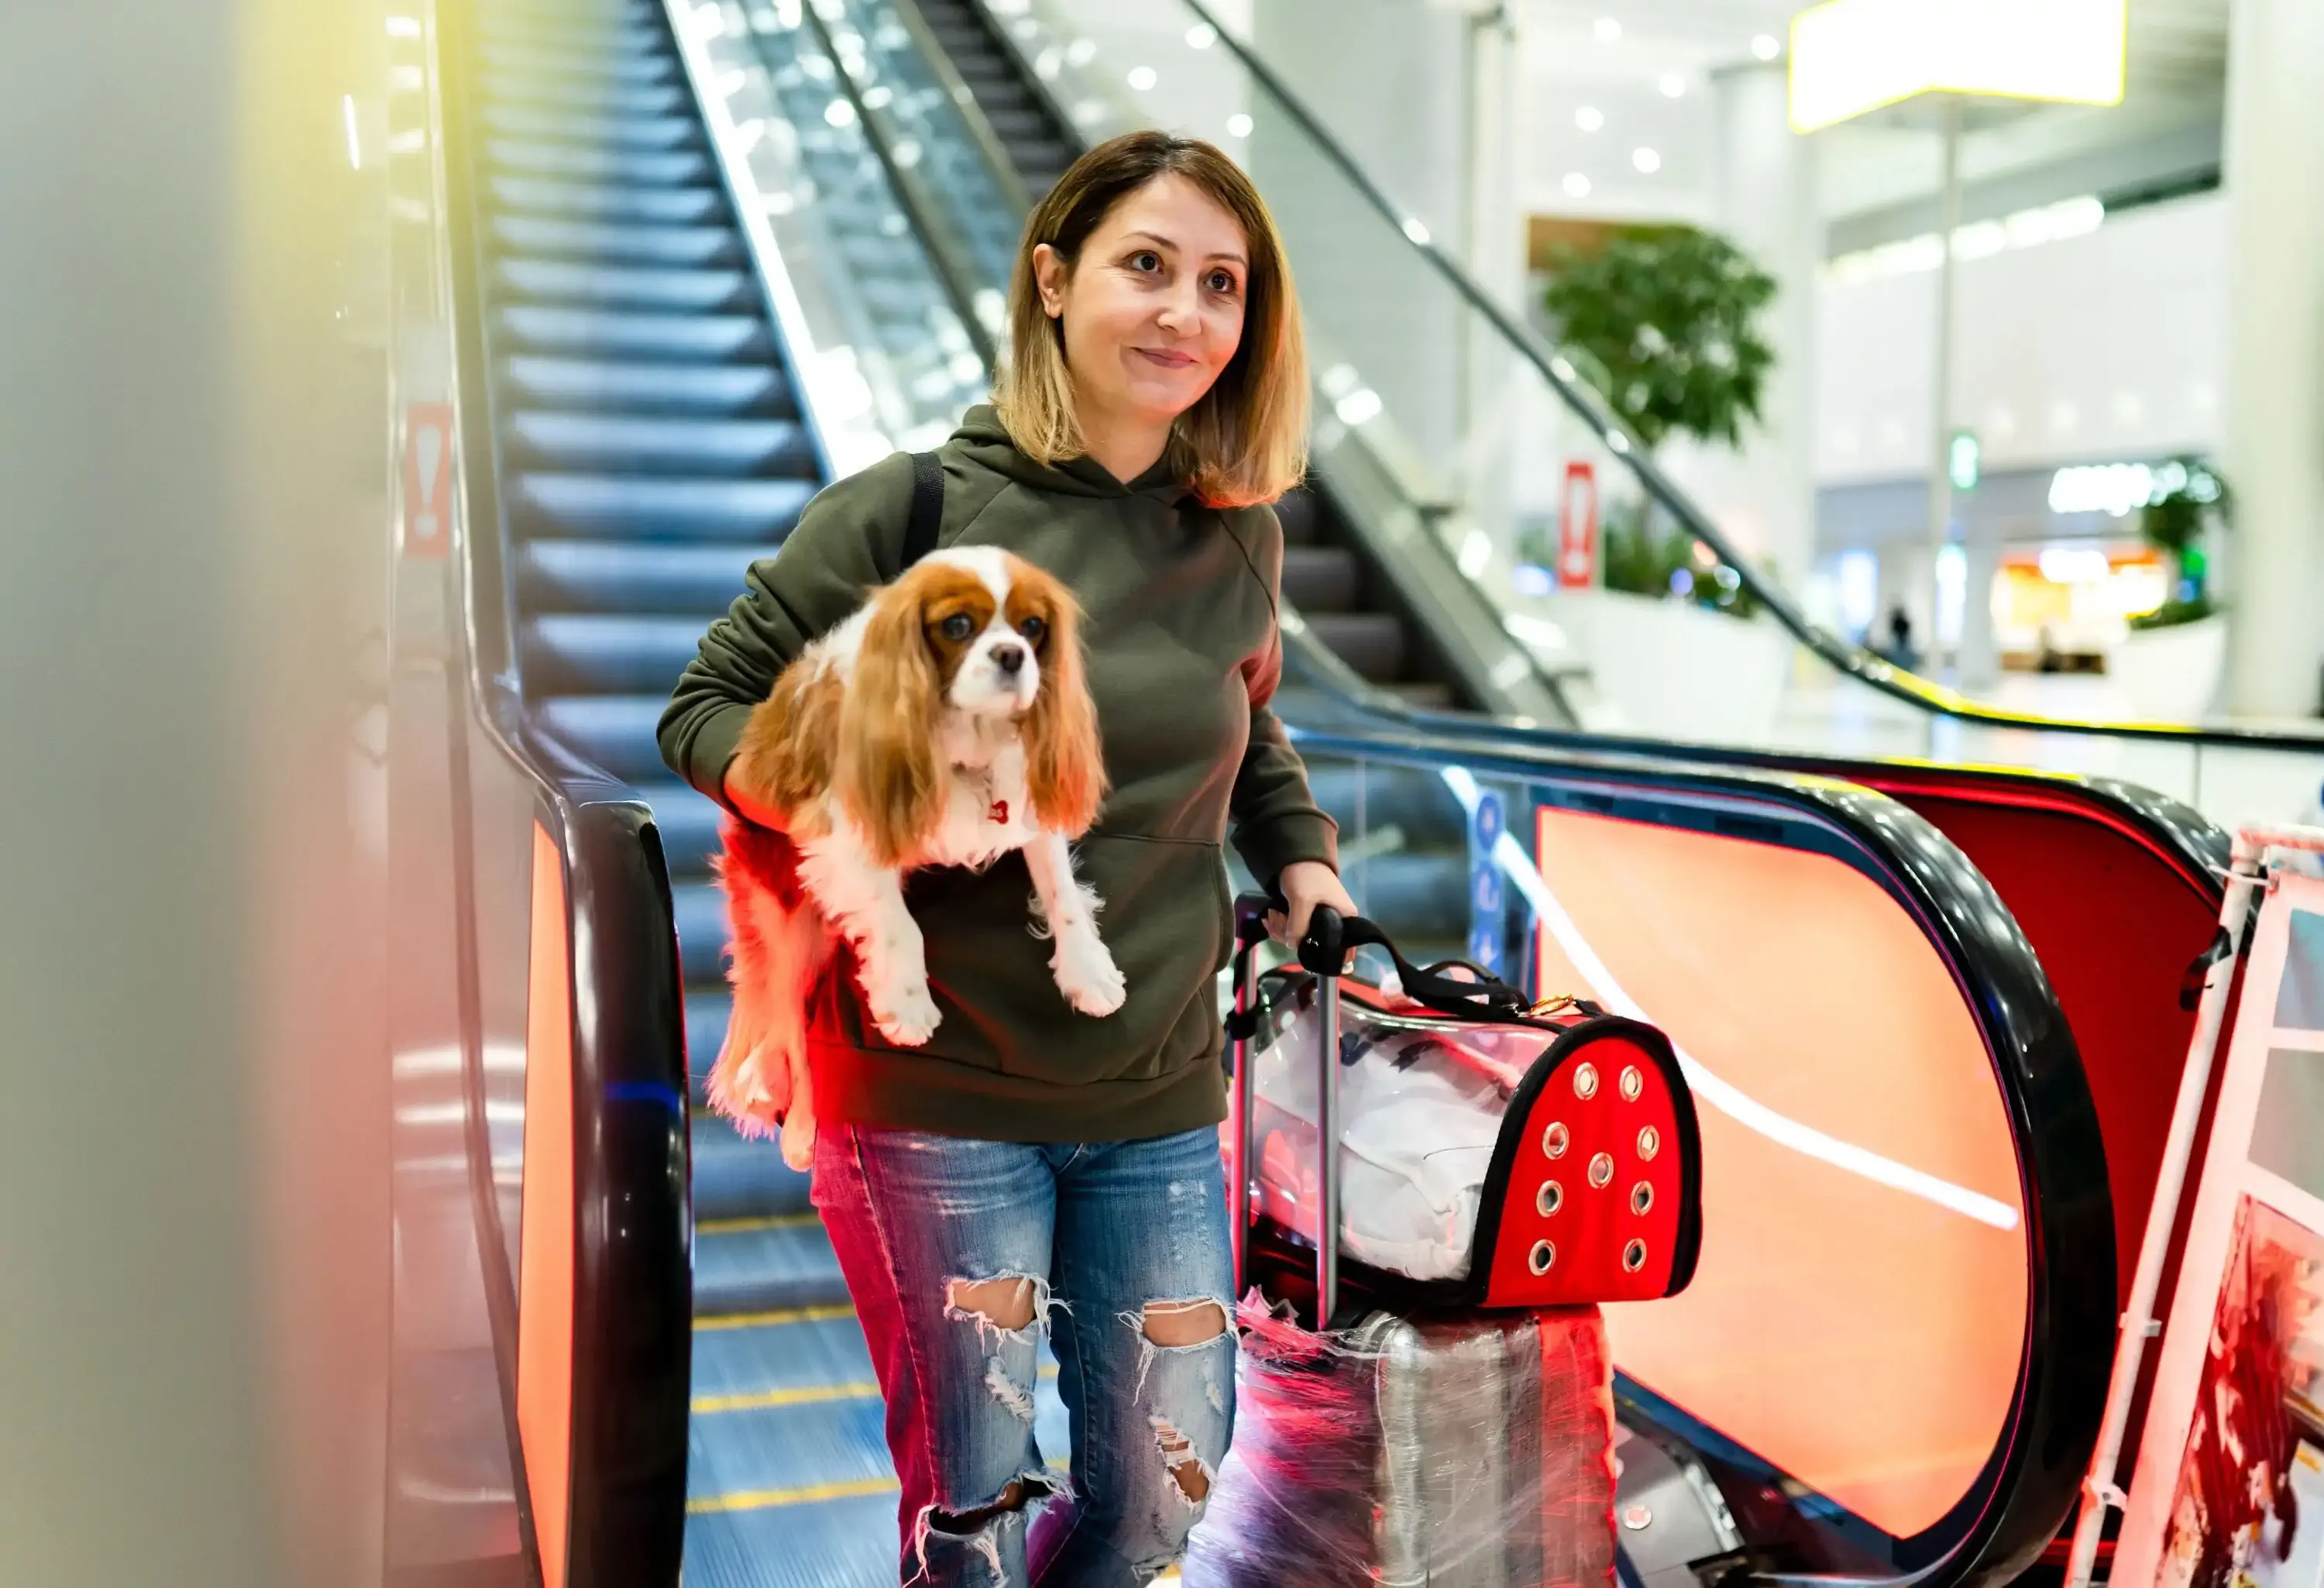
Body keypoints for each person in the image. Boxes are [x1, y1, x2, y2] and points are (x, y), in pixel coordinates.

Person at [658, 130, 1356, 1586]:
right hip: (935, 1101)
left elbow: (1254, 723)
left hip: (1159, 1092)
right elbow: (705, 704)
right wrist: (858, 794)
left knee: (1172, 1486)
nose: (1185, 314)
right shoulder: (917, 514)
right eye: (1146, 267)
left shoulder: (1236, 536)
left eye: (1221, 285)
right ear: (1053, 279)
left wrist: (1303, 864)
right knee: (974, 1515)